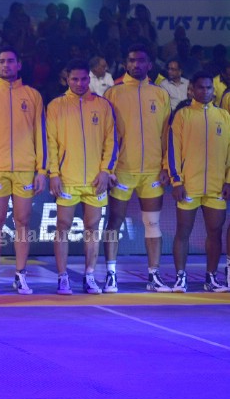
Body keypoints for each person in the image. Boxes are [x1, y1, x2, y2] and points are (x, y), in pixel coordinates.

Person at [0, 46, 48, 294]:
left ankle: (20, 275)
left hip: (26, 169)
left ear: (19, 65)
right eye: (2, 61)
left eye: (11, 61)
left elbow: (41, 135)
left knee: (23, 222)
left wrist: (42, 170)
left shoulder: (33, 95)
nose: (6, 65)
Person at [102, 45, 171, 292]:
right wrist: (108, 168)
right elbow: (106, 134)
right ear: (126, 63)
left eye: (141, 61)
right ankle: (110, 274)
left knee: (153, 223)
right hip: (121, 170)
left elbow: (166, 135)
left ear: (149, 65)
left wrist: (166, 166)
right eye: (132, 61)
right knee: (114, 222)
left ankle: (154, 276)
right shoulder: (113, 93)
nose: (136, 65)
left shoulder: (160, 94)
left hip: (152, 170)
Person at [47, 59, 118, 295]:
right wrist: (54, 174)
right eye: (74, 79)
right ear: (67, 80)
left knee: (92, 228)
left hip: (95, 180)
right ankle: (62, 277)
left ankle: (89, 276)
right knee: (63, 227)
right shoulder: (56, 105)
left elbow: (111, 142)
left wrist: (106, 171)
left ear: (89, 79)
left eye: (83, 79)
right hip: (67, 178)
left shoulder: (103, 105)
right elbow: (51, 144)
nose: (79, 83)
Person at [166, 71, 230, 293]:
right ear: (192, 90)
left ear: (214, 90)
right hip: (188, 185)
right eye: (201, 87)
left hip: (215, 187)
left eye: (209, 88)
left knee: (215, 232)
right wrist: (177, 181)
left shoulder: (224, 117)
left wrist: (228, 181)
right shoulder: (182, 116)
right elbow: (172, 151)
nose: (205, 91)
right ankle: (180, 277)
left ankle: (211, 278)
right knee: (183, 231)